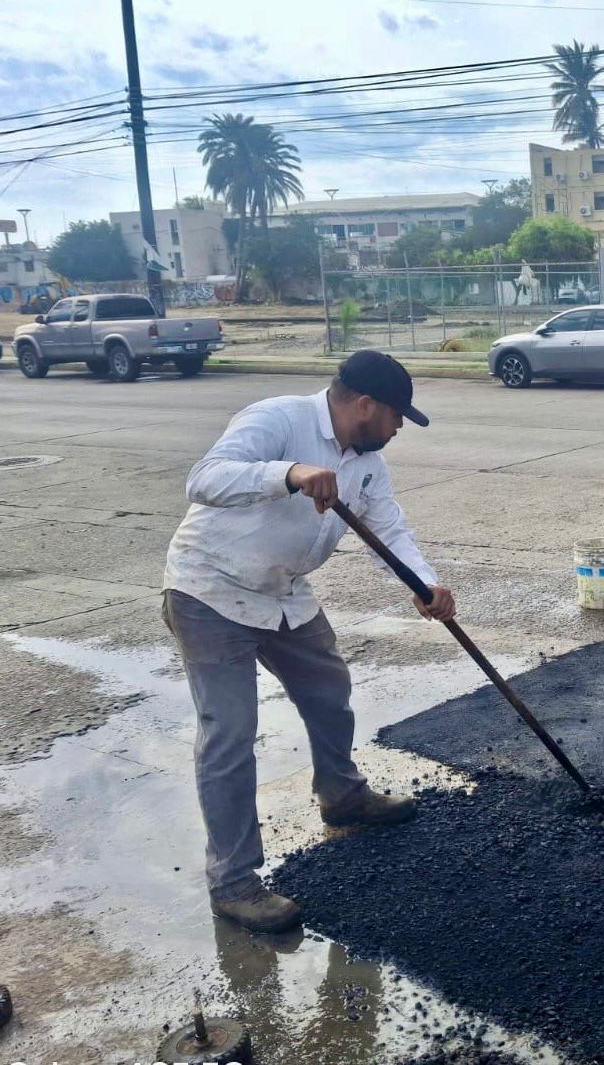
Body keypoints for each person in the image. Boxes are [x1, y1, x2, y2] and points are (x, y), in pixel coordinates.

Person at [162, 349, 457, 933]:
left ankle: (342, 795)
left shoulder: (367, 462)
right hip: (209, 588)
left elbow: (388, 525)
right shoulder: (278, 418)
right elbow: (203, 479)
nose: (399, 428)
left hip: (282, 591)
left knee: (327, 689)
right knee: (230, 733)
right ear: (366, 405)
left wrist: (425, 584)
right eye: (397, 416)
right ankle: (234, 882)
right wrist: (288, 473)